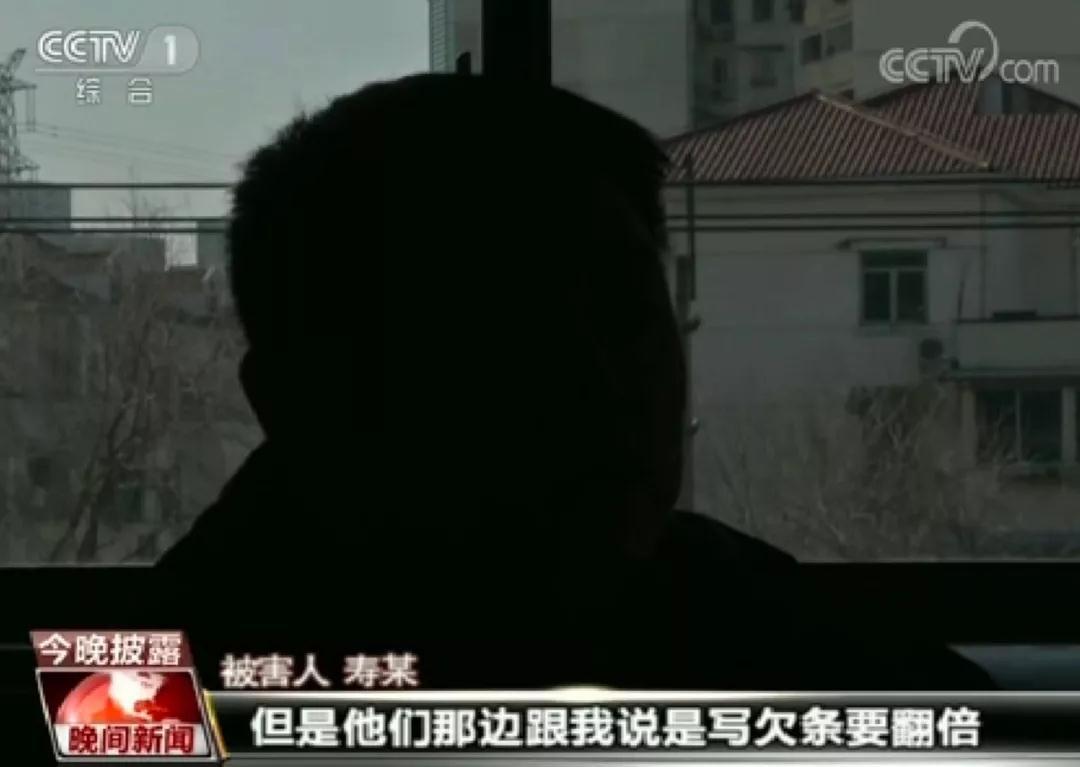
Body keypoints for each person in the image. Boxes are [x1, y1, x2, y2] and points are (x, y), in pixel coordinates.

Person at [157, 73, 991, 690]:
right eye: (501, 331)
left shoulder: (769, 631)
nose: (600, 384)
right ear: (300, 397)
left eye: (626, 312)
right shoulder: (153, 694)